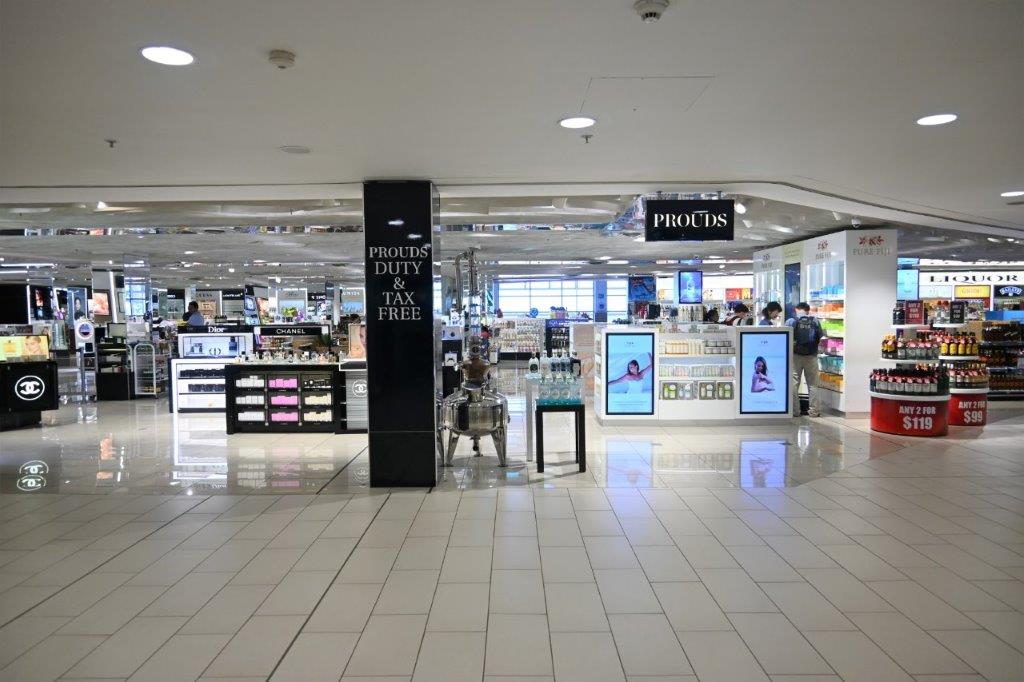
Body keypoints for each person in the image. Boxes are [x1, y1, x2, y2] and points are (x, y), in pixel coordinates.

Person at [786, 301, 824, 417]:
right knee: (813, 384)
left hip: (795, 355)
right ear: (808, 310)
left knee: (793, 383)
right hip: (811, 356)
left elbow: (786, 337)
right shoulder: (815, 321)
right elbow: (820, 337)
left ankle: (795, 411)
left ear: (797, 309)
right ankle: (814, 411)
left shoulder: (791, 321)